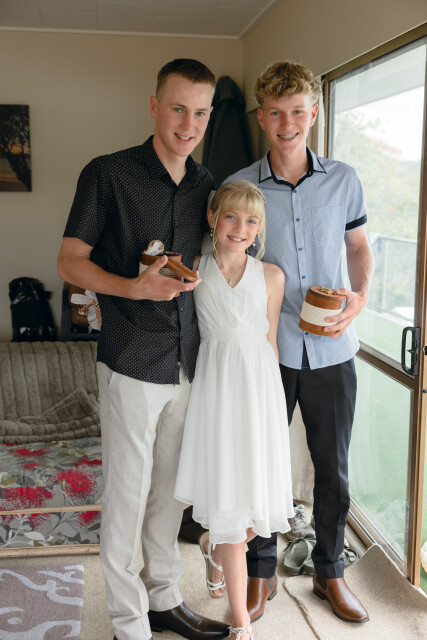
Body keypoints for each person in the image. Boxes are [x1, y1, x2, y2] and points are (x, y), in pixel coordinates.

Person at [57, 58, 231, 640]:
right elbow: (69, 262)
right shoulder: (107, 173)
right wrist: (133, 286)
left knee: (168, 495)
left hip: (188, 360)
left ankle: (164, 600)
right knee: (127, 498)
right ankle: (129, 623)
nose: (189, 124)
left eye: (200, 113)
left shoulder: (207, 185)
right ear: (155, 106)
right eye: (178, 109)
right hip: (131, 357)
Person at [205, 60, 374, 624]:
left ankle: (330, 572)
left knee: (333, 468)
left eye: (297, 111)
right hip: (264, 351)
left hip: (331, 348)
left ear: (314, 113)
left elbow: (358, 248)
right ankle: (261, 574)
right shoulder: (241, 186)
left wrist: (360, 298)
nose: (287, 124)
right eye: (276, 113)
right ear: (261, 117)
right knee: (257, 464)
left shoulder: (344, 179)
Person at [174, 180, 295, 640]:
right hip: (216, 388)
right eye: (230, 216)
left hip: (258, 390)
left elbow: (270, 341)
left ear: (259, 229)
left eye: (250, 221)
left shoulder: (272, 276)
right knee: (228, 499)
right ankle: (241, 619)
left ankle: (212, 546)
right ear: (212, 218)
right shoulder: (193, 270)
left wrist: (274, 408)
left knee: (253, 507)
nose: (240, 228)